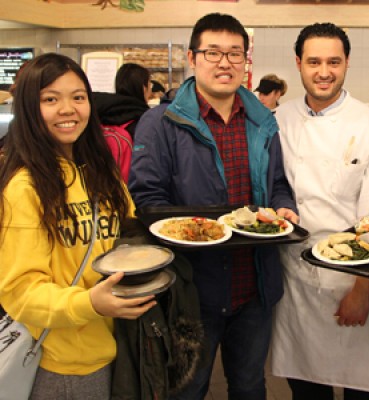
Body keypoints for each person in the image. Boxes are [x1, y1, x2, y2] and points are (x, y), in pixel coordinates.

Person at [127, 13, 298, 400]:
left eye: (235, 53)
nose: (225, 62)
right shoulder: (159, 123)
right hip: (191, 290)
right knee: (187, 390)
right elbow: (148, 199)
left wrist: (283, 209)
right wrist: (195, 230)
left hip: (253, 287)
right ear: (193, 57)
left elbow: (278, 185)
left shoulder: (262, 121)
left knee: (250, 385)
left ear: (245, 61)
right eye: (213, 52)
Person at [0, 53, 156, 399]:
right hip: (64, 360)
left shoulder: (102, 171)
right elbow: (20, 293)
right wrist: (90, 304)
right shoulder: (25, 187)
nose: (68, 109)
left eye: (78, 97)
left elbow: (125, 237)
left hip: (121, 343)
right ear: (28, 108)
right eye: (50, 99)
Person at [271, 22, 369, 399]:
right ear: (298, 63)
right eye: (314, 62)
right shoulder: (279, 120)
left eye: (333, 62)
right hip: (295, 280)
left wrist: (362, 289)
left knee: (363, 389)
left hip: (351, 278)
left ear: (347, 63)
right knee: (307, 391)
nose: (324, 72)